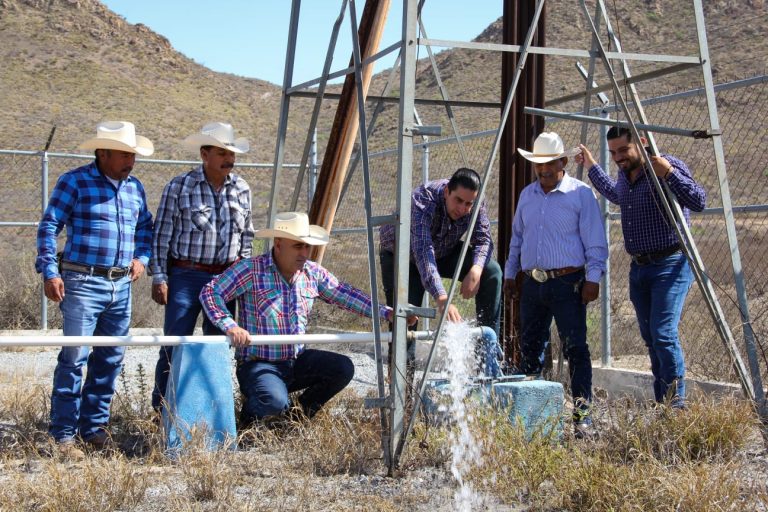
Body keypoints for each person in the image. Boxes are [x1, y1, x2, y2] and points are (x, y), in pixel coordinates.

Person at [200, 212, 415, 425]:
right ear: (278, 244)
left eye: (307, 246)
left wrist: (387, 312)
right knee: (273, 400)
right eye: (297, 246)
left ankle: (295, 418)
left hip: (296, 361)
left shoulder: (312, 273)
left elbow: (346, 295)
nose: (304, 253)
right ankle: (247, 423)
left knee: (342, 368)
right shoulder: (251, 270)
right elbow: (211, 292)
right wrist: (230, 326)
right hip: (259, 364)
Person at [35, 121, 154, 458]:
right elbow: (49, 226)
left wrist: (142, 258)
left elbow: (144, 226)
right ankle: (64, 435)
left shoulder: (135, 188)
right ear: (102, 153)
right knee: (75, 357)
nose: (131, 160)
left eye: (133, 154)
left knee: (110, 357)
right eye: (124, 154)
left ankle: (94, 428)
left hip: (121, 283)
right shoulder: (74, 181)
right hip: (82, 281)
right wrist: (49, 270)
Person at [577, 127, 706, 409]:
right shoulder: (625, 176)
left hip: (670, 262)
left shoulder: (664, 164)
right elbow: (615, 194)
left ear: (642, 143)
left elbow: (699, 200)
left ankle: (676, 406)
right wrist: (592, 166)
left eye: (623, 150)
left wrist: (669, 172)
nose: (619, 158)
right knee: (651, 338)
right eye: (613, 153)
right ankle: (663, 403)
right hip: (640, 268)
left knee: (663, 333)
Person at [503, 132, 608, 437]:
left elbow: (595, 241)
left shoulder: (581, 194)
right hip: (533, 284)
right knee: (530, 349)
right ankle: (531, 419)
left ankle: (582, 416)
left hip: (568, 282)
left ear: (562, 161)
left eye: (549, 163)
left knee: (576, 348)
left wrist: (593, 278)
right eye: (538, 165)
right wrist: (511, 273)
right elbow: (518, 239)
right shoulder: (527, 195)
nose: (543, 170)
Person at [149, 122, 254, 412]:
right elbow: (162, 235)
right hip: (185, 275)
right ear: (204, 154)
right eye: (222, 152)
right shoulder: (180, 186)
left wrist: (242, 274)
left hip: (226, 278)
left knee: (219, 345)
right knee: (175, 342)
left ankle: (213, 409)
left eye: (231, 153)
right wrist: (160, 275)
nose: (228, 159)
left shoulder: (242, 188)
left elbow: (247, 235)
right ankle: (163, 410)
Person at [379, 167, 503, 365]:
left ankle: (488, 360)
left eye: (469, 204)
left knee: (491, 272)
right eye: (458, 201)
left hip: (444, 249)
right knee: (406, 315)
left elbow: (484, 240)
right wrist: (442, 298)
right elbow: (423, 252)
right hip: (403, 255)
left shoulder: (476, 203)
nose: (463, 209)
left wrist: (476, 270)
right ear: (447, 192)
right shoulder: (423, 199)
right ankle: (403, 386)